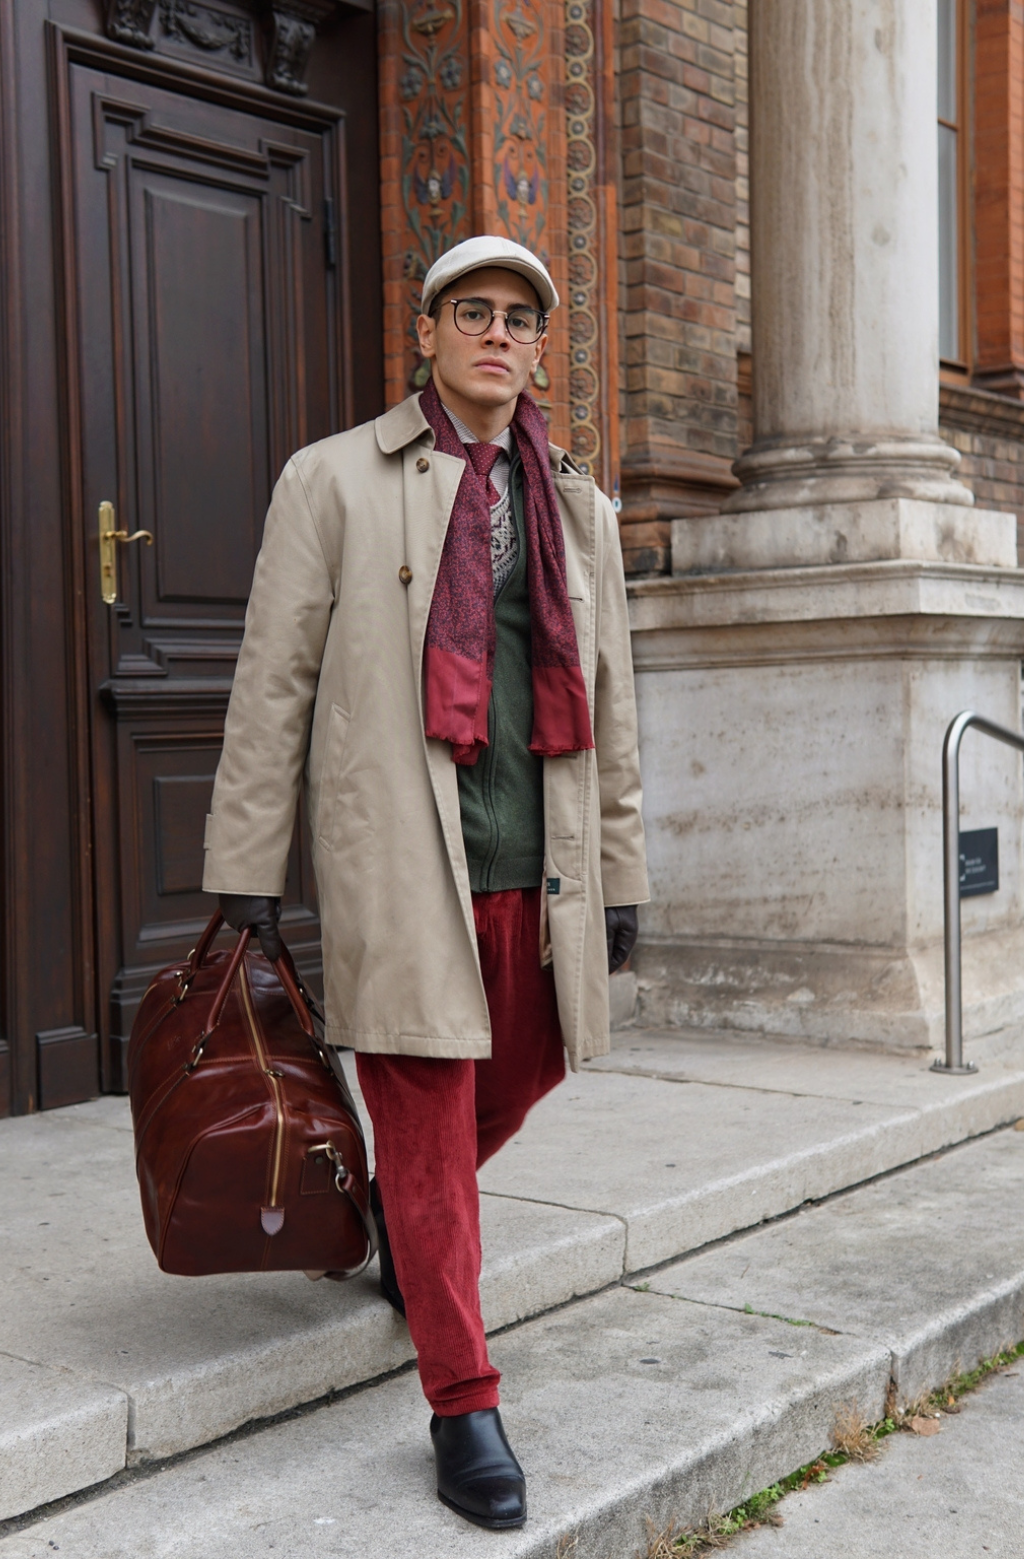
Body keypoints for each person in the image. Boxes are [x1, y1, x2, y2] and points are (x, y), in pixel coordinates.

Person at [202, 234, 648, 1530]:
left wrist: (621, 873)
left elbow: (612, 702)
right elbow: (273, 680)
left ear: (540, 346)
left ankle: (404, 1210)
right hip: (403, 862)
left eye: (520, 317)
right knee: (429, 1120)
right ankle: (464, 1403)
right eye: (473, 312)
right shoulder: (333, 478)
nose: (498, 334)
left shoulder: (580, 507)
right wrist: (246, 866)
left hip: (539, 863)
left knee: (523, 1075)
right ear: (430, 331)